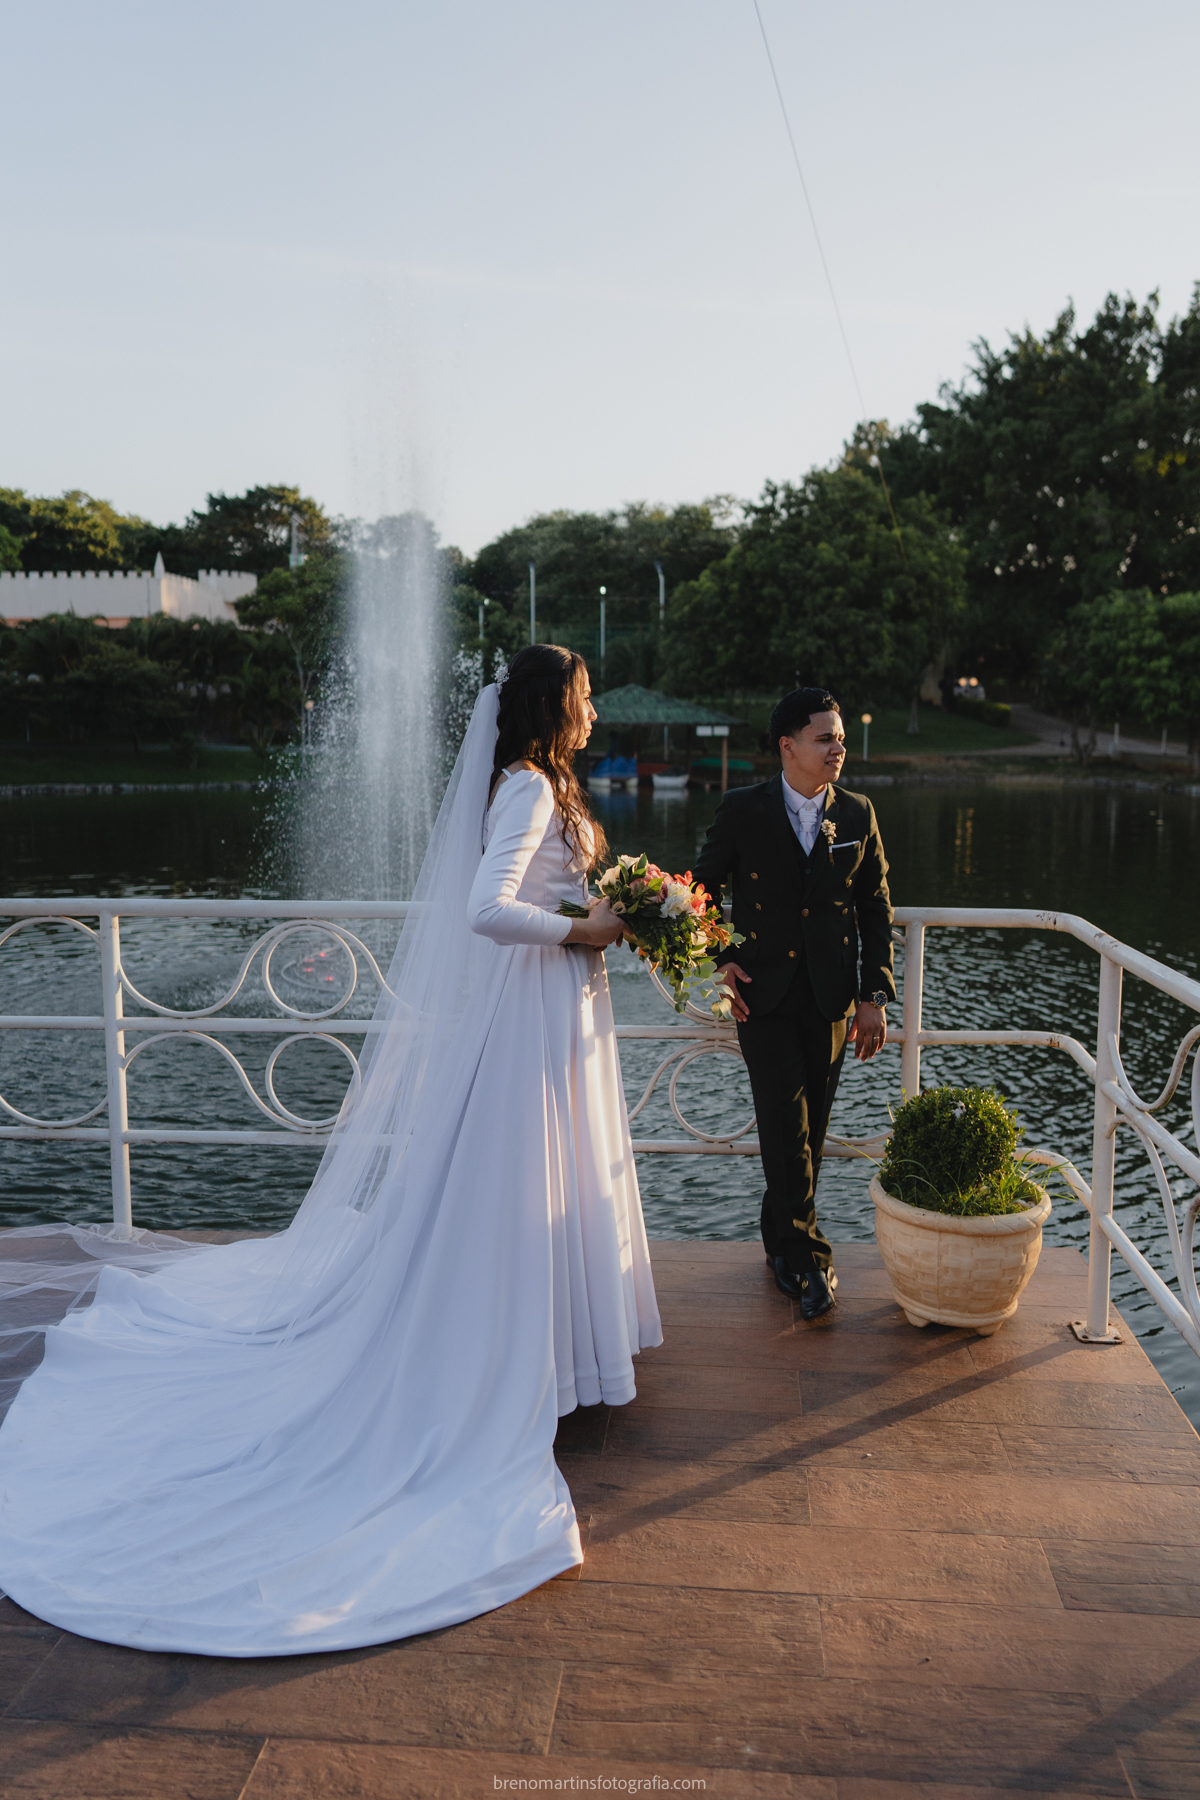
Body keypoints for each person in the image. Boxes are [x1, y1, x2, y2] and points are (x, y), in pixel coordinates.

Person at [0, 645, 661, 1656]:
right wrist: (584, 930)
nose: (593, 706)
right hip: (533, 1005)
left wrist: (606, 916)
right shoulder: (526, 786)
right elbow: (484, 910)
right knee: (519, 1182)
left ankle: (554, 1349)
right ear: (546, 708)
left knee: (535, 1182)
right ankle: (520, 1357)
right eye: (580, 694)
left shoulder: (542, 781)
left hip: (547, 1010)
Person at [692, 687, 895, 1318]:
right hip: (763, 996)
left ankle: (779, 1240)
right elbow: (697, 892)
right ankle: (811, 1261)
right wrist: (716, 961)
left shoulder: (858, 813)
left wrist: (874, 995)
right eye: (825, 738)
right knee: (785, 1122)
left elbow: (875, 908)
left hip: (833, 998)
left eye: (840, 737)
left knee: (810, 1130)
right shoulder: (742, 810)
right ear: (788, 746)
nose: (839, 748)